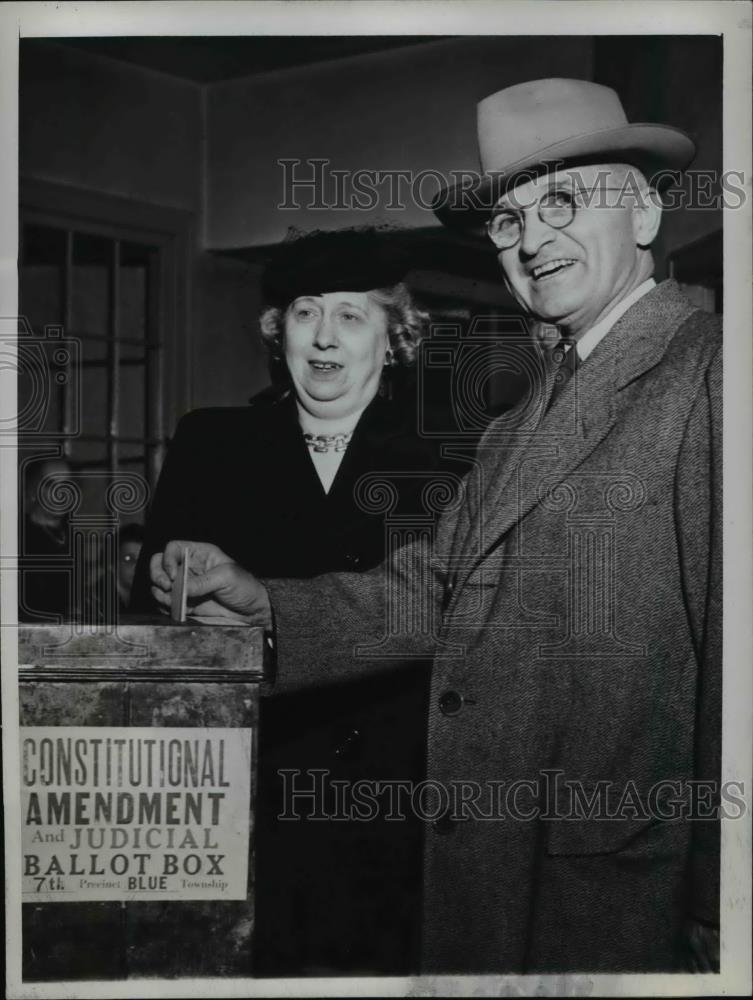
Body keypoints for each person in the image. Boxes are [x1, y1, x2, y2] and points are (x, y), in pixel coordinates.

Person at [149, 80, 721, 974]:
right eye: (508, 219)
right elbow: (438, 588)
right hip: (501, 874)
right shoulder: (527, 410)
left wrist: (721, 907)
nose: (532, 239)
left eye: (564, 201)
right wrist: (267, 608)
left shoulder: (710, 374)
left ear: (643, 209)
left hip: (617, 895)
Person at [132, 227, 472, 974]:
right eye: (304, 312)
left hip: (397, 808)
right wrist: (169, 583)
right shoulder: (211, 443)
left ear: (394, 336)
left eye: (350, 316)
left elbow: (456, 621)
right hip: (245, 798)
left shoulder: (455, 457)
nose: (323, 337)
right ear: (276, 331)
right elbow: (151, 621)